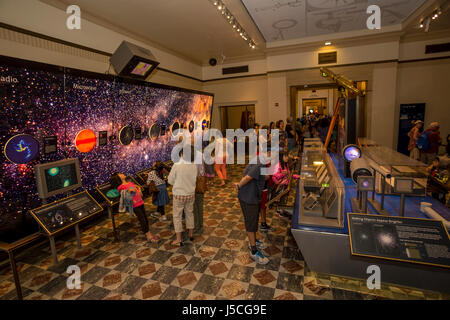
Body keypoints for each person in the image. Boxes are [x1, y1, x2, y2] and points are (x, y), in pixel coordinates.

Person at [234, 148, 271, 265]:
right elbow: (248, 177)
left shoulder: (261, 160)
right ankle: (254, 250)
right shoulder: (260, 162)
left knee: (253, 220)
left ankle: (253, 240)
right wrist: (238, 185)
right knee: (251, 223)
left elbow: (264, 177)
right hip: (248, 197)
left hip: (252, 195)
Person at [110, 173, 159, 243]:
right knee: (142, 219)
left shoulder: (129, 183)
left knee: (145, 218)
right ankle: (148, 235)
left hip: (140, 202)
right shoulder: (121, 187)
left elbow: (137, 188)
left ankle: (149, 232)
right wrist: (133, 191)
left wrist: (138, 190)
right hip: (134, 205)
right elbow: (125, 195)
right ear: (118, 177)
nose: (122, 173)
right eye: (120, 174)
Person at [168, 146, 198, 246]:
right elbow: (195, 178)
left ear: (182, 154)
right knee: (190, 214)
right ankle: (191, 234)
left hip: (179, 195)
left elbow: (170, 180)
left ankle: (179, 239)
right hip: (190, 194)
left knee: (177, 216)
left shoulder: (177, 165)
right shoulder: (194, 165)